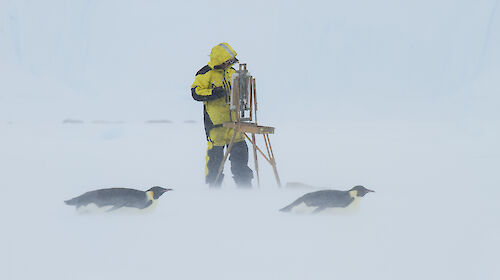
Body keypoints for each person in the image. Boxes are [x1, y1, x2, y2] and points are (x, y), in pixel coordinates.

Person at [190, 42, 254, 188]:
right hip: (215, 124)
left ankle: (245, 187)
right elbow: (195, 92)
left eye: (231, 61)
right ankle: (214, 188)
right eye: (227, 60)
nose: (230, 63)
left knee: (240, 155)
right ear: (220, 59)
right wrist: (213, 93)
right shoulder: (205, 73)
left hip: (234, 123)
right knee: (215, 161)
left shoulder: (232, 73)